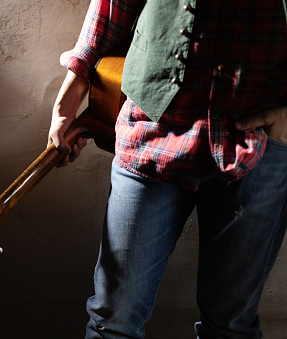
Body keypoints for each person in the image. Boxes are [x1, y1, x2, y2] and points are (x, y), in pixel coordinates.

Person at [47, 0, 287, 338]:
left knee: (230, 328)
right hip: (151, 128)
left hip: (257, 142)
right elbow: (114, 6)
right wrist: (66, 103)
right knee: (112, 321)